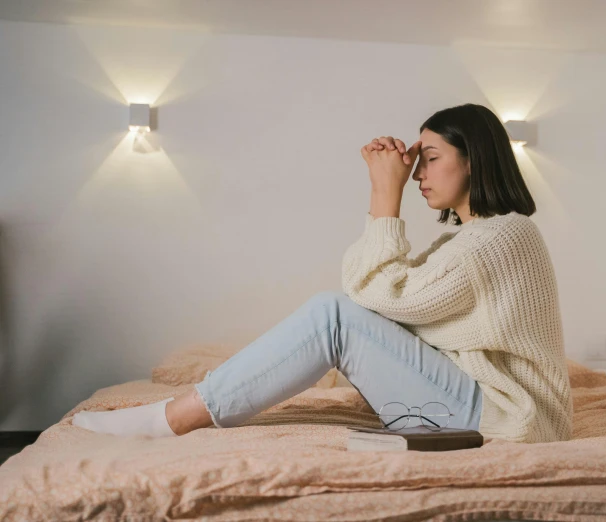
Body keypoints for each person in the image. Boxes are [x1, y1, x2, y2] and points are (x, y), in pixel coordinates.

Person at [73, 103, 573, 443]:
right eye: (417, 162)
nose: (419, 173)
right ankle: (195, 405)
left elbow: (376, 294)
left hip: (509, 419)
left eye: (431, 159)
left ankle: (174, 418)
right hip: (482, 406)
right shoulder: (465, 240)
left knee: (331, 314)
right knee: (337, 311)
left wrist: (384, 194)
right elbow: (373, 294)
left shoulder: (503, 237)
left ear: (474, 160)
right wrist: (385, 195)